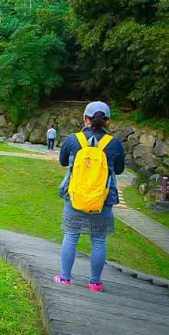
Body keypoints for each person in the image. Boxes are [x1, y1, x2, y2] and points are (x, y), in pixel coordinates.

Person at [54, 101, 125, 292]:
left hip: (75, 196)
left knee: (71, 236)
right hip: (103, 199)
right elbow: (118, 170)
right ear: (107, 121)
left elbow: (62, 162)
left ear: (85, 118)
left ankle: (65, 277)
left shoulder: (72, 139)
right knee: (99, 240)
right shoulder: (114, 144)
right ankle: (94, 283)